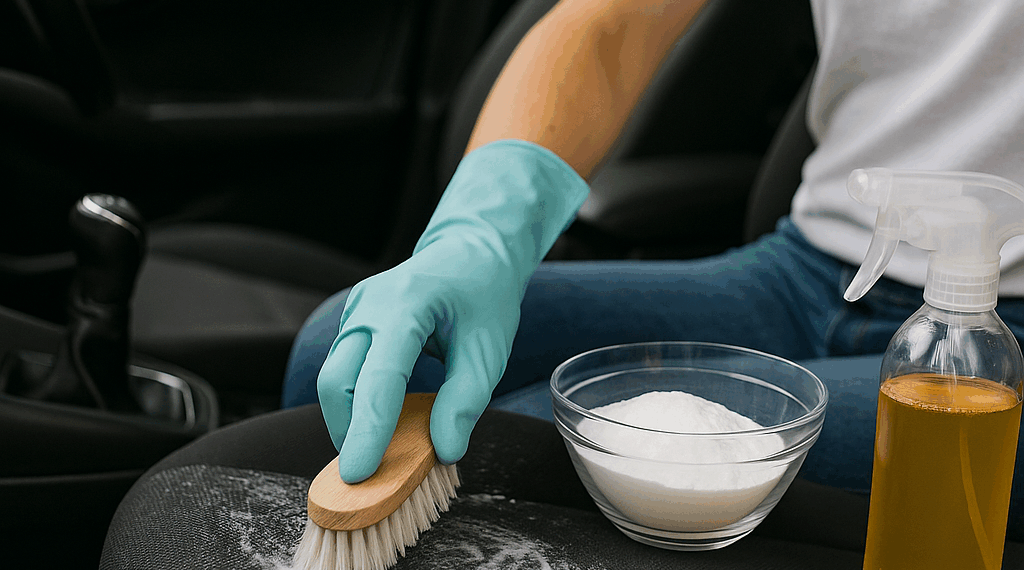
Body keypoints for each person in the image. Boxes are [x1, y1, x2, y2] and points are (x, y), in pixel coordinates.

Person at [280, 0, 1024, 536]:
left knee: (544, 439)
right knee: (350, 353)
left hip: (1005, 322)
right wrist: (479, 233)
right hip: (812, 268)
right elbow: (616, 18)